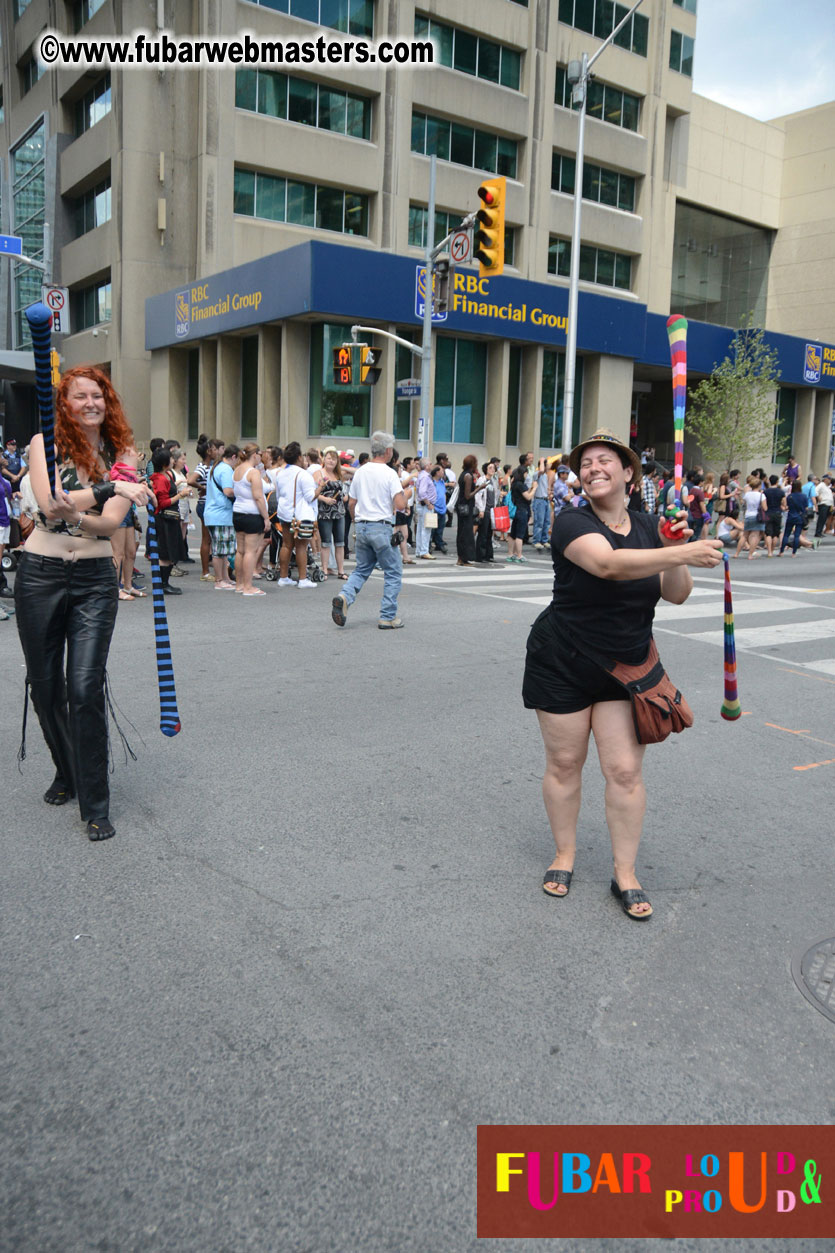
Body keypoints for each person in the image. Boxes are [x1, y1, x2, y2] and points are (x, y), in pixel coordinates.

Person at [522, 428, 723, 918]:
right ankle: (564, 854)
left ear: (628, 472)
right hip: (563, 660)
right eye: (584, 463)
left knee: (625, 771)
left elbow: (675, 593)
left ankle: (625, 873)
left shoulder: (650, 526)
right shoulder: (571, 521)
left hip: (624, 667)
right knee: (565, 764)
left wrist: (675, 545)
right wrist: (683, 550)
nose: (592, 468)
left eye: (603, 460)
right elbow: (609, 565)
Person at [14, 366, 151, 840]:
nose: (90, 403)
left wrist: (85, 504)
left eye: (98, 395)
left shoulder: (124, 453)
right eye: (80, 396)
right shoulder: (43, 445)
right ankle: (67, 768)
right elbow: (52, 504)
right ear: (64, 402)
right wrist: (108, 489)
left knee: (86, 687)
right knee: (46, 688)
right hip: (39, 577)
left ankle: (95, 800)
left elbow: (108, 525)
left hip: (94, 579)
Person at [330, 431, 407, 629]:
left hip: (362, 526)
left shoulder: (361, 471)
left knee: (362, 569)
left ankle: (344, 596)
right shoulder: (390, 473)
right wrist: (406, 493)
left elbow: (351, 503)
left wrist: (357, 521)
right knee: (393, 571)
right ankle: (387, 616)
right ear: (388, 451)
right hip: (380, 526)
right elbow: (399, 504)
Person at [274, 441, 321, 588]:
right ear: (299, 457)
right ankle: (302, 579)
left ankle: (283, 577)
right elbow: (310, 496)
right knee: (301, 547)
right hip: (300, 515)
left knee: (286, 545)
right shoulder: (303, 474)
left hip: (285, 512)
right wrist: (320, 487)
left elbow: (278, 494)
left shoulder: (280, 473)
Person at [232, 443, 271, 596]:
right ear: (254, 455)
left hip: (238, 512)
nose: (261, 458)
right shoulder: (253, 472)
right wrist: (266, 518)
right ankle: (248, 587)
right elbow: (258, 497)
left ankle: (239, 584)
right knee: (251, 551)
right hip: (252, 513)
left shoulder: (237, 470)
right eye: (260, 455)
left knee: (240, 551)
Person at [149, 448, 189, 594]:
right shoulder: (160, 479)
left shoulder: (166, 475)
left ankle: (164, 583)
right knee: (165, 553)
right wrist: (181, 495)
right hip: (165, 519)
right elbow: (163, 503)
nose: (174, 460)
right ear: (165, 462)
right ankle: (163, 584)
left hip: (171, 517)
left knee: (170, 552)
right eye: (171, 458)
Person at [204, 444, 239, 590]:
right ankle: (219, 580)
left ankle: (225, 577)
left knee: (223, 550)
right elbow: (228, 491)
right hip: (220, 514)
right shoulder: (225, 469)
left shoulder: (217, 467)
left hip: (216, 514)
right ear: (233, 457)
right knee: (219, 550)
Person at [314, 447, 348, 580]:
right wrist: (325, 499)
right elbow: (314, 493)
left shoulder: (339, 474)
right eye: (329, 458)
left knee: (340, 542)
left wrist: (343, 497)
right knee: (326, 542)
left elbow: (344, 495)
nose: (331, 461)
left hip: (339, 511)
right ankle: (324, 569)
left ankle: (341, 570)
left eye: (334, 459)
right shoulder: (319, 473)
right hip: (324, 511)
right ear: (323, 459)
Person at [507, 460, 536, 563]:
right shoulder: (520, 485)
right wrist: (534, 489)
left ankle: (511, 554)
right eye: (526, 474)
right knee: (520, 534)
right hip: (522, 511)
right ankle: (519, 555)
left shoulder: (514, 484)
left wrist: (530, 489)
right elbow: (528, 497)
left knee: (512, 534)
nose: (527, 476)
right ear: (523, 474)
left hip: (515, 511)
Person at [456, 454, 480, 566]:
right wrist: (479, 488)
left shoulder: (463, 474)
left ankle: (461, 558)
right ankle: (463, 558)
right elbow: (467, 495)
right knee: (466, 533)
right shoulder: (468, 476)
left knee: (462, 532)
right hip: (466, 507)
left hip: (462, 507)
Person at [734, 475, 766, 559]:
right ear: (759, 486)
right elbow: (765, 507)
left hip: (748, 515)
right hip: (757, 516)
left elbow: (743, 503)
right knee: (754, 536)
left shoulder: (747, 494)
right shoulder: (761, 495)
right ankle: (750, 554)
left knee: (745, 535)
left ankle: (736, 553)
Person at [414, 458, 437, 560]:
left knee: (421, 528)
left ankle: (420, 550)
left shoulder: (422, 476)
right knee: (426, 529)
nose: (432, 466)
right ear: (427, 466)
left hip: (423, 505)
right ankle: (424, 551)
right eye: (430, 464)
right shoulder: (425, 477)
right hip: (425, 506)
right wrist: (428, 503)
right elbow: (423, 493)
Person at [780, 479, 809, 556]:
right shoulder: (804, 496)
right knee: (797, 535)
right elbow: (806, 508)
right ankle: (794, 553)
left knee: (786, 534)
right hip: (799, 517)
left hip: (791, 516)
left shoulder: (790, 496)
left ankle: (782, 551)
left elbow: (787, 506)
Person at [762, 474, 786, 557]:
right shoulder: (781, 492)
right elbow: (784, 503)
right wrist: (783, 507)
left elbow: (763, 503)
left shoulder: (766, 491)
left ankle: (769, 552)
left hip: (768, 512)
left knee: (768, 533)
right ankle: (772, 550)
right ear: (776, 482)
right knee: (776, 533)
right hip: (777, 513)